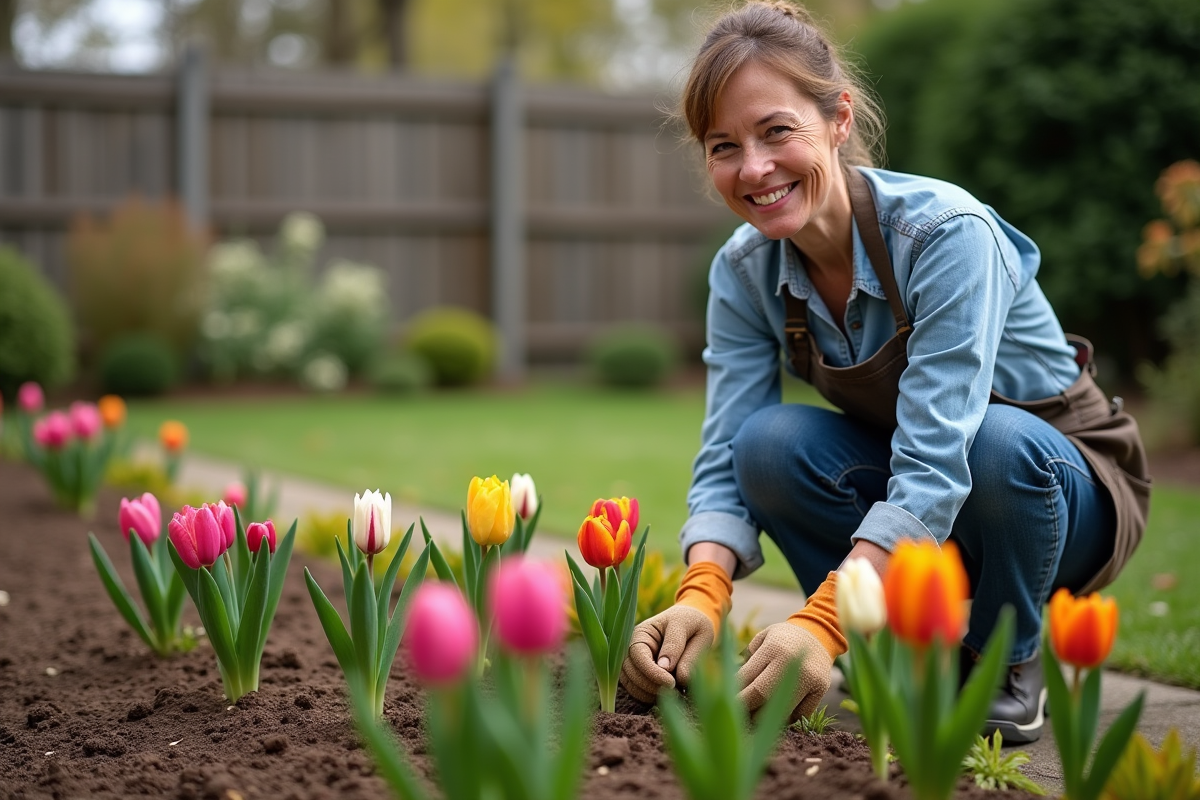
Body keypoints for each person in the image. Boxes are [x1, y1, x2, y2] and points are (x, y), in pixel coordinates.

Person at [618, 0, 1150, 744]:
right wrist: (702, 593)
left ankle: (1009, 662)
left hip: (1058, 497)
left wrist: (822, 618)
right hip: (925, 498)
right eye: (724, 146)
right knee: (765, 444)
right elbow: (726, 446)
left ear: (838, 119)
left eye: (777, 131)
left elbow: (938, 458)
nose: (754, 168)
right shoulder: (742, 270)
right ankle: (894, 652)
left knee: (995, 442)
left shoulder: (944, 234)